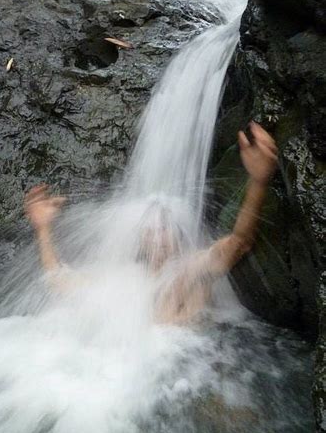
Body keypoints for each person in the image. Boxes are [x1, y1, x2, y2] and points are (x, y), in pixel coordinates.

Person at [24, 122, 278, 325]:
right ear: (141, 239)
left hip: (189, 372)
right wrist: (43, 229)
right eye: (151, 229)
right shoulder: (126, 280)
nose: (157, 234)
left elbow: (239, 244)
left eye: (165, 227)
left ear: (179, 235)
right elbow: (58, 283)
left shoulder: (193, 270)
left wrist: (258, 182)